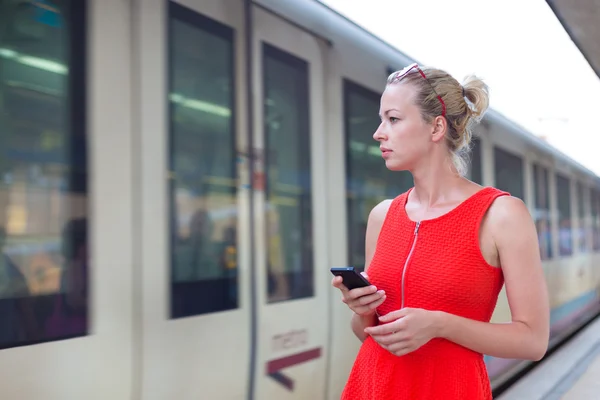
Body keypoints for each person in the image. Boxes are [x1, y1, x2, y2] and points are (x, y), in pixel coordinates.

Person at [331, 63, 549, 399]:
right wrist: (363, 310)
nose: (378, 132)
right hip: (372, 386)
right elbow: (369, 333)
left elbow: (533, 341)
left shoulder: (501, 214)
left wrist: (440, 325)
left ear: (436, 127)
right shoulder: (382, 216)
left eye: (393, 119)